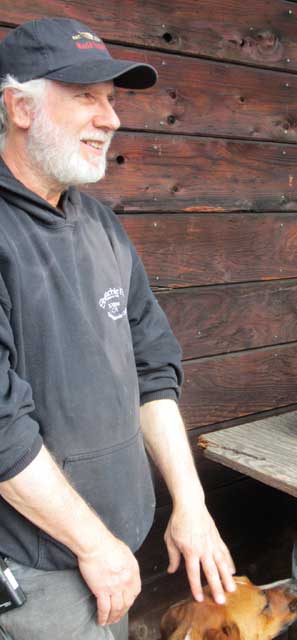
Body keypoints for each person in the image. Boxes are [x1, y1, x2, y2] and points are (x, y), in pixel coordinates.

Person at [0, 17, 235, 640]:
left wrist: (191, 504)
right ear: (19, 108)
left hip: (114, 554)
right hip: (38, 569)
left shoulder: (101, 226)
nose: (110, 119)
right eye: (86, 96)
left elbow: (152, 368)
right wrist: (94, 545)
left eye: (111, 100)